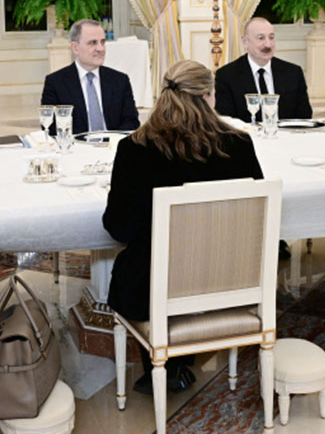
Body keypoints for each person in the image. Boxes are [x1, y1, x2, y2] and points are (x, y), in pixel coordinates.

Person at [103, 59, 264, 394]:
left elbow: (119, 229)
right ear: (207, 96)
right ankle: (178, 359)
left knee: (137, 264)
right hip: (226, 279)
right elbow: (256, 220)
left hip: (156, 289)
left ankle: (164, 363)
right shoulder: (239, 145)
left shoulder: (134, 149)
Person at [40, 19, 140, 134]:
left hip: (113, 143)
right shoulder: (56, 82)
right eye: (93, 43)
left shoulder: (120, 80)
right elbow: (50, 127)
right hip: (75, 144)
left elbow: (132, 122)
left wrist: (113, 139)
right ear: (75, 48)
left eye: (102, 42)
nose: (100, 49)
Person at [213, 17, 312, 122]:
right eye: (261, 38)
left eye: (271, 37)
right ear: (245, 42)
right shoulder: (227, 76)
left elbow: (305, 118)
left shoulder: (293, 73)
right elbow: (227, 122)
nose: (268, 44)